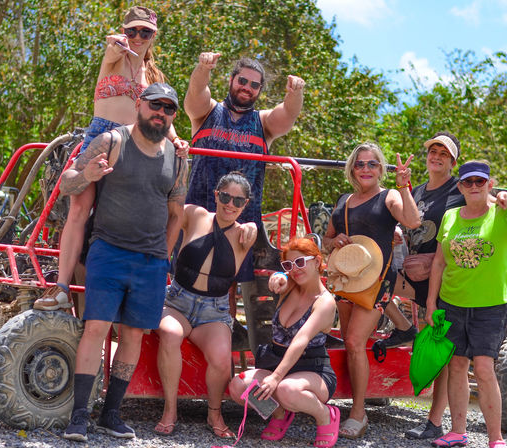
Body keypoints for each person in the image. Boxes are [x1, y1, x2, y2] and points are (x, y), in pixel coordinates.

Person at [34, 5, 188, 311]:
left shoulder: (154, 74)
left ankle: (140, 285)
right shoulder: (114, 55)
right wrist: (121, 42)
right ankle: (62, 287)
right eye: (133, 30)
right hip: (102, 136)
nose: (138, 36)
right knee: (79, 207)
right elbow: (112, 41)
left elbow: (160, 111)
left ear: (154, 35)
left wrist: (176, 139)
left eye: (145, 32)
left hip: (136, 143)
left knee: (136, 213)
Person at [61, 82, 188, 442]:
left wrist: (163, 256)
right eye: (155, 105)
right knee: (96, 328)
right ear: (139, 105)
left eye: (168, 108)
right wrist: (88, 175)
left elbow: (176, 213)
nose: (160, 113)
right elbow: (67, 183)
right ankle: (80, 416)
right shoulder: (112, 142)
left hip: (150, 263)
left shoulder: (178, 157)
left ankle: (111, 414)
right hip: (109, 252)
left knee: (132, 335)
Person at [371, 132, 507, 440]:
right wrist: (398, 230)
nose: (436, 156)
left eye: (444, 154)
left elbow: (485, 202)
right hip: (416, 276)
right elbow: (412, 221)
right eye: (432, 151)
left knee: (444, 352)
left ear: (453, 162)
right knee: (374, 284)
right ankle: (401, 329)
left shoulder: (460, 188)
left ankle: (435, 420)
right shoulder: (419, 191)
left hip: (444, 276)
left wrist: (501, 196)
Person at [425, 158, 507, 448]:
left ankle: (496, 438)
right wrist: (431, 304)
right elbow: (439, 263)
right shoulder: (451, 216)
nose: (474, 186)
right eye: (468, 181)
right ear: (461, 186)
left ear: (490, 184)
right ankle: (457, 431)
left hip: (489, 306)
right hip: (452, 303)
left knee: (483, 368)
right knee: (456, 366)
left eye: (480, 181)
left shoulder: (503, 213)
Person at [322, 142, 421, 438]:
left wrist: (404, 187)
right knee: (351, 343)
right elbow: (326, 241)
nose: (366, 168)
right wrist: (335, 240)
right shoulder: (343, 200)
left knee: (353, 341)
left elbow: (413, 221)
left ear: (381, 169)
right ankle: (357, 400)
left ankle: (359, 413)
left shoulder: (388, 196)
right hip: (347, 277)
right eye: (360, 164)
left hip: (377, 280)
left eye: (373, 164)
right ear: (352, 168)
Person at [183, 52, 305, 285]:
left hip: (240, 216)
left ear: (259, 90)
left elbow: (288, 113)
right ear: (231, 80)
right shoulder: (206, 112)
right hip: (200, 211)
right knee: (190, 270)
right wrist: (203, 68)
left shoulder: (264, 123)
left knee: (228, 279)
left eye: (254, 85)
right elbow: (196, 92)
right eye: (242, 81)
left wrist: (295, 93)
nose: (247, 87)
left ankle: (225, 320)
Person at [155, 172, 258, 438]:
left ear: (245, 204)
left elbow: (254, 233)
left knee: (223, 360)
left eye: (238, 200)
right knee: (169, 334)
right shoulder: (195, 214)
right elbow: (168, 206)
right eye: (225, 196)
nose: (230, 204)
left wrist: (254, 227)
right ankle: (170, 409)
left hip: (214, 311)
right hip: (178, 300)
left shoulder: (245, 234)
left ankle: (214, 412)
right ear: (216, 195)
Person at [228, 238, 339, 448]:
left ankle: (325, 415)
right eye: (289, 265)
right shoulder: (289, 286)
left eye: (300, 262)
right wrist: (279, 275)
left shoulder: (325, 302)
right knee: (238, 386)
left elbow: (301, 340)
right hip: (275, 361)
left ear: (317, 261)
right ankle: (279, 413)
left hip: (311, 370)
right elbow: (282, 279)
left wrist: (276, 378)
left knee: (287, 389)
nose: (295, 270)